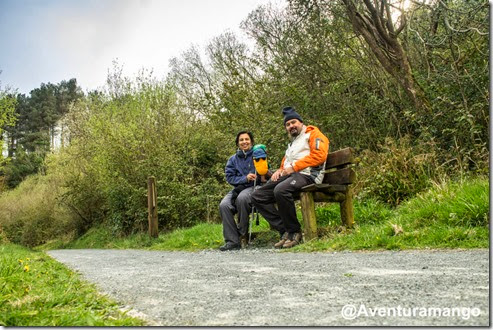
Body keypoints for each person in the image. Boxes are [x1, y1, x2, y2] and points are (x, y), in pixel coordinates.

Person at [251, 106, 329, 249]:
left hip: (309, 175)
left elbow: (320, 156)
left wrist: (293, 167)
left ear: (301, 122)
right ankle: (285, 230)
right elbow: (286, 162)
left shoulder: (313, 134)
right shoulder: (292, 144)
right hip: (292, 175)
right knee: (257, 195)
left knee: (280, 190)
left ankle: (295, 232)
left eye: (293, 122)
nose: (291, 126)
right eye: (288, 124)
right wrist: (280, 170)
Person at [218, 131, 257, 251]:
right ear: (237, 143)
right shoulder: (232, 160)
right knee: (224, 205)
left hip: (254, 187)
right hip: (238, 188)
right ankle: (232, 241)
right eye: (241, 140)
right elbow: (230, 177)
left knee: (242, 198)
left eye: (247, 139)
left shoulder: (258, 155)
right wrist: (244, 178)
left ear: (251, 141)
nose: (244, 142)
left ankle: (242, 234)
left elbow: (265, 172)